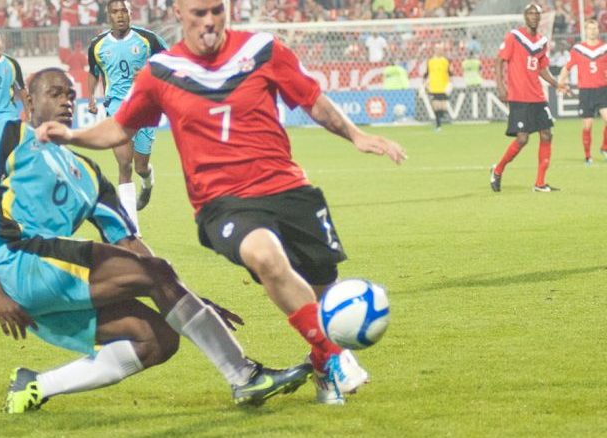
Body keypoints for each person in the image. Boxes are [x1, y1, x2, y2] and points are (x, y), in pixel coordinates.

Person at [38, 0, 407, 406]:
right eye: (199, 13)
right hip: (222, 202)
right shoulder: (162, 72)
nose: (209, 21)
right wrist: (73, 136)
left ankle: (322, 363)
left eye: (217, 10)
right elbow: (119, 127)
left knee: (323, 288)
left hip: (288, 189)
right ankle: (335, 355)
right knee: (264, 255)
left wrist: (357, 135)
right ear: (179, 13)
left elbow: (312, 99)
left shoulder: (262, 50)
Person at [0, 68, 311, 413]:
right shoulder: (9, 134)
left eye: (70, 95)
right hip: (20, 261)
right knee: (156, 274)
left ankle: (35, 385)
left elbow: (128, 243)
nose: (66, 101)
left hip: (51, 280)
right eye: (55, 93)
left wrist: (183, 295)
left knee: (156, 339)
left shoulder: (88, 172)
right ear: (29, 101)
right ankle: (244, 376)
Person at [87, 0, 169, 232]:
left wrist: (149, 74)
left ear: (131, 14)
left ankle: (147, 180)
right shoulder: (97, 45)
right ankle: (133, 229)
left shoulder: (148, 39)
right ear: (108, 16)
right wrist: (91, 97)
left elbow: (171, 63)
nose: (120, 15)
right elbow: (93, 71)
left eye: (124, 11)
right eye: (115, 12)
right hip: (117, 108)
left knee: (140, 166)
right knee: (124, 165)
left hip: (146, 107)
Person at [490, 3, 566, 193]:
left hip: (538, 96)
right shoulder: (514, 36)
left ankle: (540, 183)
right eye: (530, 13)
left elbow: (542, 68)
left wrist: (556, 84)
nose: (533, 16)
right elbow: (499, 60)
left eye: (536, 13)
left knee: (547, 134)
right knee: (522, 139)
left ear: (540, 18)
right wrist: (501, 86)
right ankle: (498, 170)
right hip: (519, 96)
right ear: (525, 16)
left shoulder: (541, 41)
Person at [557, 19, 607, 164]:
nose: (593, 31)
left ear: (598, 30)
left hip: (603, 90)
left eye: (595, 28)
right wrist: (560, 83)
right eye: (590, 28)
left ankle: (604, 147)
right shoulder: (578, 49)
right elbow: (567, 67)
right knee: (587, 125)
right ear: (585, 31)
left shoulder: (604, 48)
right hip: (586, 92)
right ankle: (588, 156)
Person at [424, 43, 452, 131]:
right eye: (438, 49)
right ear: (435, 50)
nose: (440, 51)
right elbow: (426, 73)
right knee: (435, 106)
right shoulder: (430, 61)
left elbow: (450, 73)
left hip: (443, 87)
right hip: (433, 86)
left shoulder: (445, 61)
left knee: (443, 107)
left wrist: (450, 83)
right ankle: (438, 125)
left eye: (441, 49)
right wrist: (424, 84)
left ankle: (441, 118)